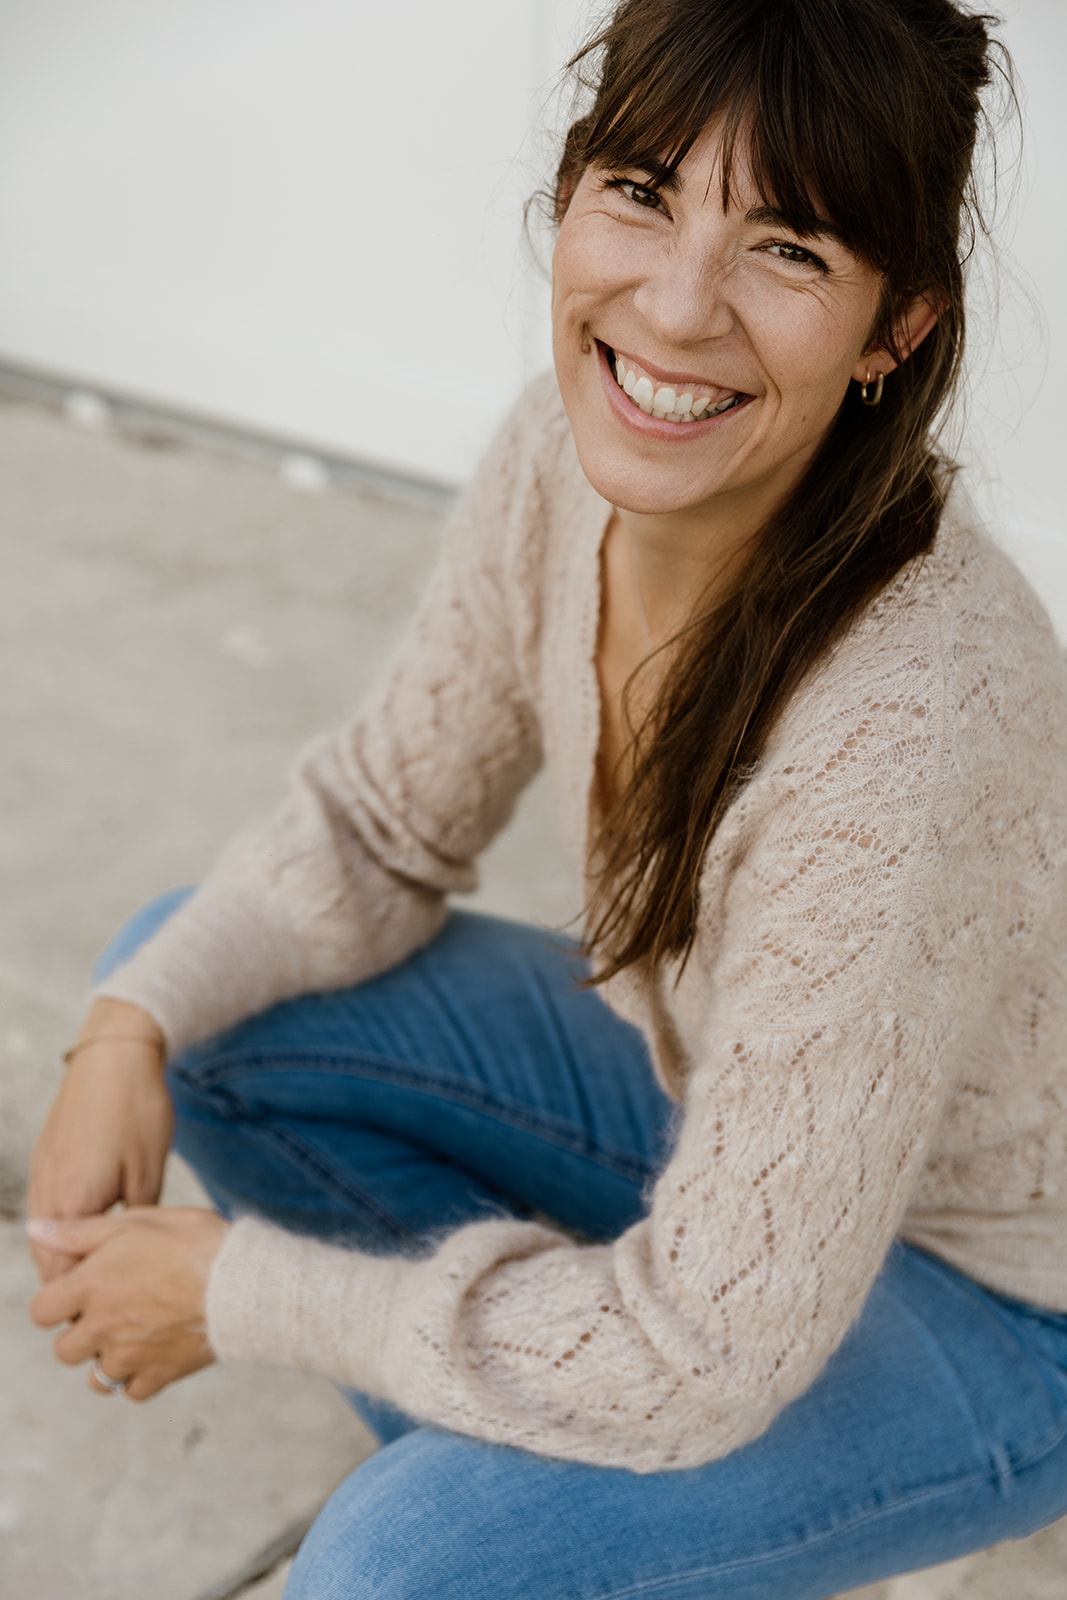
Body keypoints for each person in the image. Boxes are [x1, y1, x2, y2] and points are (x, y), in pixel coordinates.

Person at [25, 0, 1067, 1595]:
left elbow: (711, 1342)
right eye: (642, 191)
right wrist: (125, 1023)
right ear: (569, 189)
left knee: (400, 1563)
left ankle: (547, 1518)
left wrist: (245, 1292)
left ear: (895, 329)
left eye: (787, 248)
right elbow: (378, 824)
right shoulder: (561, 455)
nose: (677, 306)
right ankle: (568, 1494)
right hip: (728, 1123)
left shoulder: (910, 727)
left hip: (1004, 1292)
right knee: (211, 993)